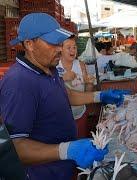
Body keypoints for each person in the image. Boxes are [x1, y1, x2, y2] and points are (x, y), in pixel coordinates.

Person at [0, 13, 130, 180]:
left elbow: (65, 95)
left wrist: (100, 96)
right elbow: (15, 147)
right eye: (53, 43)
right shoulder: (19, 83)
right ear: (29, 44)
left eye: (60, 43)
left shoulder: (49, 68)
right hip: (42, 174)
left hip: (62, 169)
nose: (60, 49)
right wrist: (65, 150)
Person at [57, 35, 94, 138]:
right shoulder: (55, 66)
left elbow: (87, 93)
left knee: (79, 141)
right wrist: (62, 78)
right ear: (60, 49)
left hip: (80, 113)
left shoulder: (81, 65)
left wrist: (90, 83)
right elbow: (48, 88)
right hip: (60, 117)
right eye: (68, 47)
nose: (72, 50)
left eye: (74, 47)